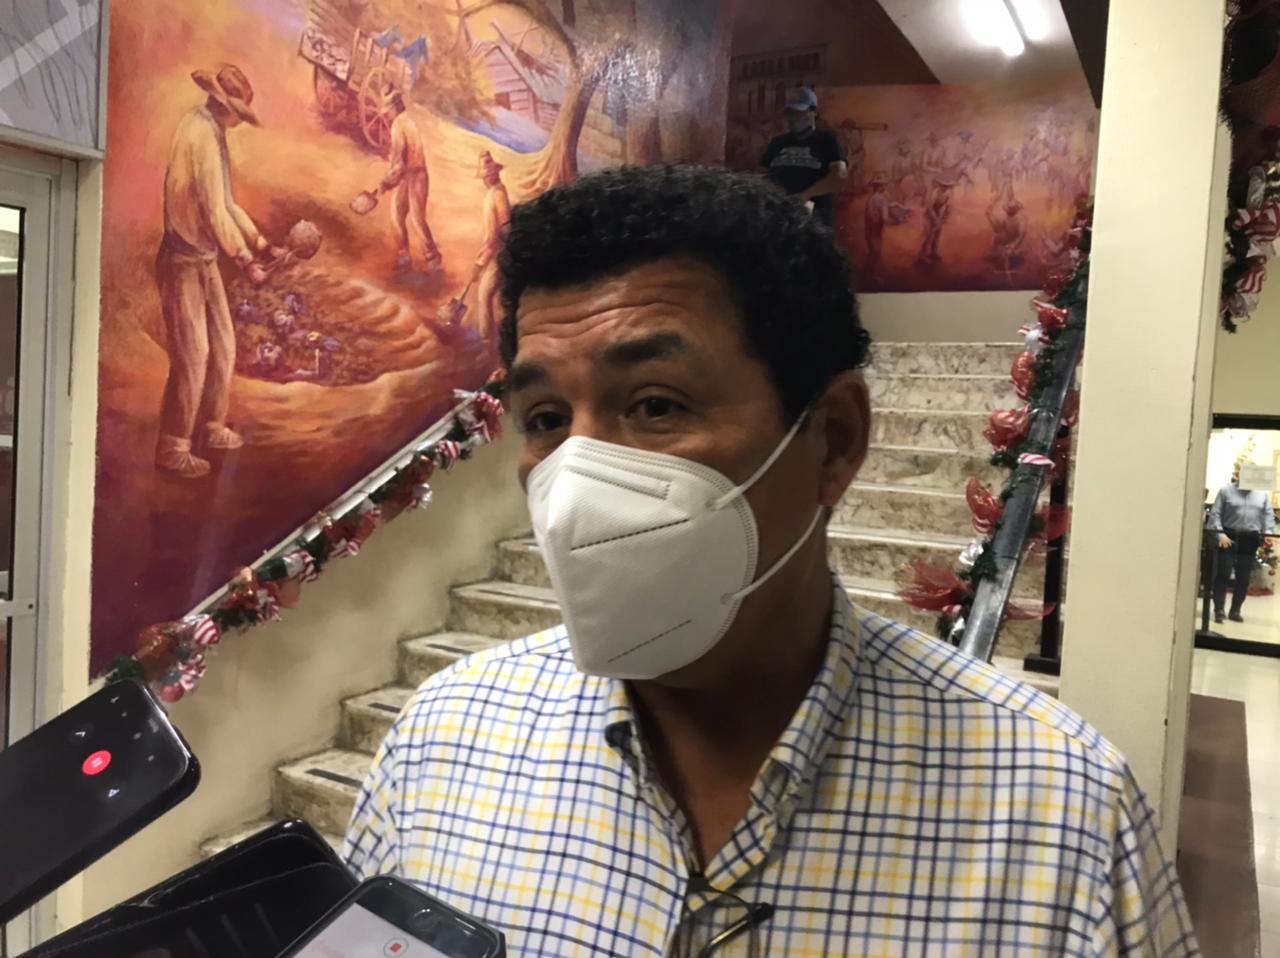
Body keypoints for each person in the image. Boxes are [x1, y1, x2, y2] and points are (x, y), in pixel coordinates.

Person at [344, 166, 1197, 957]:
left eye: (655, 405)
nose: (576, 484)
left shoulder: (1061, 816)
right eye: (544, 419)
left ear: (835, 440)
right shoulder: (443, 743)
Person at [155, 64, 278, 480]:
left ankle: (211, 426)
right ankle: (173, 448)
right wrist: (245, 259)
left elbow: (227, 203)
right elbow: (212, 211)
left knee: (223, 345)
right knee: (193, 355)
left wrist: (262, 244)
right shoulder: (200, 134)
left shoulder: (214, 131)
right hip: (182, 259)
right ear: (225, 106)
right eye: (238, 113)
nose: (239, 120)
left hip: (203, 258)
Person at [759, 86, 847, 225]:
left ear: (814, 112)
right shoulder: (777, 142)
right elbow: (760, 175)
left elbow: (839, 177)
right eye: (790, 113)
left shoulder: (826, 140)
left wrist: (806, 195)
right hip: (778, 220)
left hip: (813, 223)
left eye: (799, 112)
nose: (794, 118)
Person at [382, 91, 442, 273]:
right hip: (412, 175)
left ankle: (428, 255)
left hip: (414, 175)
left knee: (412, 217)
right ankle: (412, 256)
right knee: (401, 214)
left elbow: (399, 162)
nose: (386, 114)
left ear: (394, 108)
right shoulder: (408, 121)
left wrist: (387, 182)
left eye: (387, 110)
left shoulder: (398, 125)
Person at [1208, 476, 1277, 623]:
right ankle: (1219, 610)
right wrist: (1221, 535)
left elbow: (1268, 515)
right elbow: (1215, 514)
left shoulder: (1262, 494)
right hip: (1228, 535)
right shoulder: (1226, 491)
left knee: (1244, 577)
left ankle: (1235, 610)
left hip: (1250, 538)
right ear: (1239, 475)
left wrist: (1268, 533)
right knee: (1223, 573)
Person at [472, 150, 512, 342]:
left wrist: (480, 263)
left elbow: (495, 234)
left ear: (492, 175)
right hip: (499, 251)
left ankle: (487, 339)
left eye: (486, 176)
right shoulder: (495, 193)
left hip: (500, 252)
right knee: (495, 296)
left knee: (485, 293)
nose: (484, 180)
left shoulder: (497, 195)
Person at [917, 170, 958, 267]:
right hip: (929, 214)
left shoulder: (948, 193)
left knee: (937, 234)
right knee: (928, 235)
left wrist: (945, 217)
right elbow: (929, 207)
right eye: (944, 185)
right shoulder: (935, 192)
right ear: (940, 185)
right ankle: (923, 255)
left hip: (938, 213)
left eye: (947, 186)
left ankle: (933, 252)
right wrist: (935, 220)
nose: (945, 187)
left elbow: (949, 207)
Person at [863, 170, 891, 282]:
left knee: (872, 252)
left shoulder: (870, 199)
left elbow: (870, 215)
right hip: (876, 230)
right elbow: (884, 218)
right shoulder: (881, 200)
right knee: (876, 253)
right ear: (879, 187)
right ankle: (871, 276)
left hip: (869, 229)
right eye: (883, 185)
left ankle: (867, 274)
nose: (885, 187)